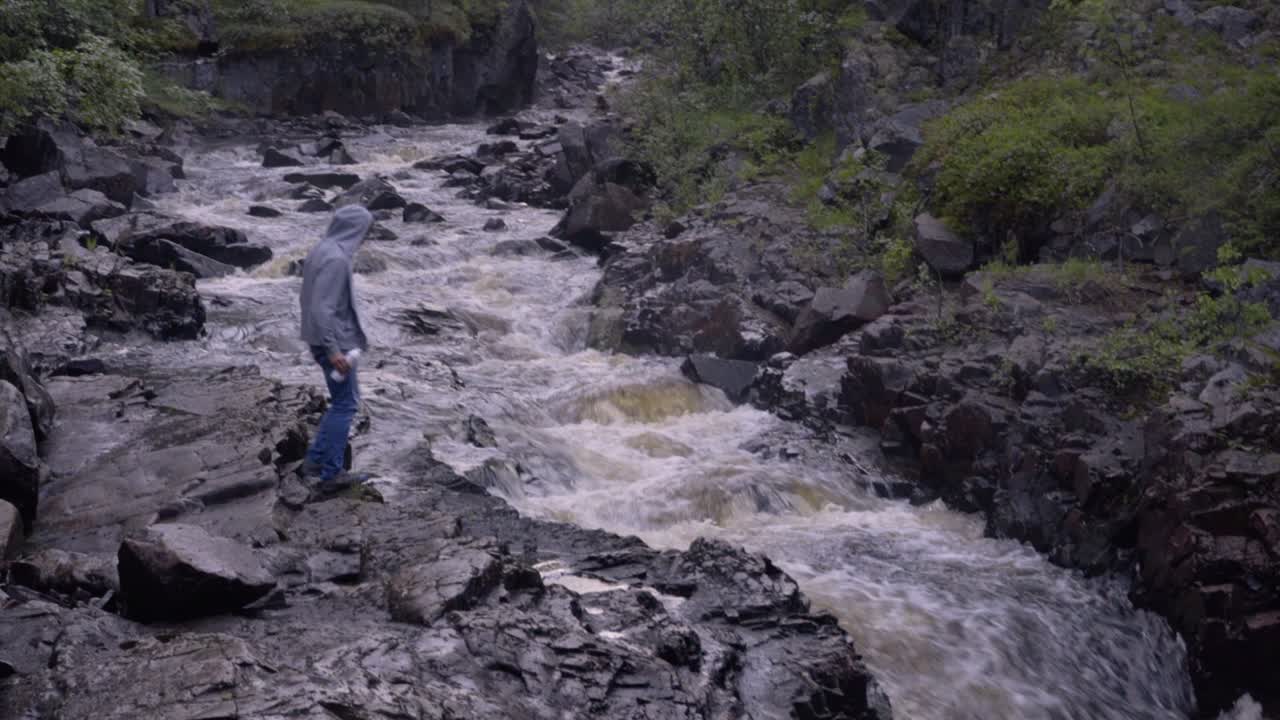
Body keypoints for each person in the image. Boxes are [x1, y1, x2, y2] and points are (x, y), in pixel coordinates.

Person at [299, 205, 373, 490]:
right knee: (346, 404)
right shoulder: (337, 259)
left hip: (318, 337)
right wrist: (334, 350)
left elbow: (312, 303)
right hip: (333, 341)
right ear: (355, 229)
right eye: (365, 230)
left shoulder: (321, 249)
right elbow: (323, 308)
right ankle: (332, 473)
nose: (365, 237)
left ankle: (315, 460)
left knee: (341, 402)